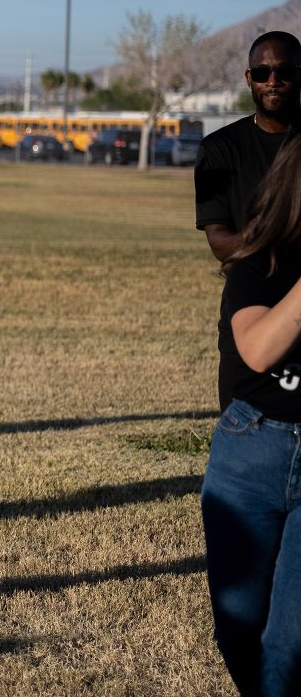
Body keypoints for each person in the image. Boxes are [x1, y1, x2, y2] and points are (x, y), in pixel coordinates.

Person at [206, 132, 301, 697]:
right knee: (237, 632)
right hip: (251, 453)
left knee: (289, 650)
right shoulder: (259, 262)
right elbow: (260, 349)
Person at [198, 32, 301, 411]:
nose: (272, 81)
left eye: (284, 71)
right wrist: (281, 239)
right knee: (242, 423)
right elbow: (218, 241)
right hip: (251, 305)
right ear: (248, 79)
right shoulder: (218, 149)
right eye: (261, 72)